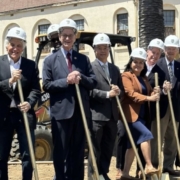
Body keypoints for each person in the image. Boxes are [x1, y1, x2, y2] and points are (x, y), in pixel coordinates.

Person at [42, 18, 97, 180]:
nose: (67, 38)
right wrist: (66, 81)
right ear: (59, 37)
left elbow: (93, 81)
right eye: (64, 35)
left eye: (70, 35)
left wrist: (81, 77)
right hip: (61, 114)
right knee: (61, 152)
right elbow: (46, 85)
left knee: (78, 152)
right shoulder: (50, 61)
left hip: (80, 113)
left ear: (75, 37)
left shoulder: (83, 59)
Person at [0, 27, 41, 180]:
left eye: (19, 45)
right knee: (1, 157)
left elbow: (36, 89)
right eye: (12, 44)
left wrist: (29, 103)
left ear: (23, 47)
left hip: (24, 115)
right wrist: (10, 81)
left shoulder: (30, 65)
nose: (15, 49)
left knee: (27, 156)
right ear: (6, 46)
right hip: (3, 116)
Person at [120, 48, 160, 180]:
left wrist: (154, 92)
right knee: (146, 135)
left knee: (132, 145)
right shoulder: (126, 75)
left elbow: (147, 94)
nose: (138, 65)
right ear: (131, 62)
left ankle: (125, 173)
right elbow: (131, 94)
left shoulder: (143, 78)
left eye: (141, 63)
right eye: (135, 62)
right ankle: (148, 165)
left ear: (144, 65)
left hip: (143, 114)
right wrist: (149, 98)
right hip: (130, 115)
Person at [88, 33, 121, 180]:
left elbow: (121, 92)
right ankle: (93, 176)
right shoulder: (90, 68)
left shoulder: (114, 69)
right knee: (95, 149)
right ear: (94, 50)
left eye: (105, 48)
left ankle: (102, 174)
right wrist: (108, 94)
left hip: (112, 116)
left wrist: (119, 92)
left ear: (109, 49)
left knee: (108, 148)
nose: (103, 51)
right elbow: (89, 91)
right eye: (99, 48)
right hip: (97, 115)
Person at [151, 35, 180, 176]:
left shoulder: (179, 66)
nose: (171, 51)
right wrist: (161, 89)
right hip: (161, 107)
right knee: (157, 137)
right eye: (168, 48)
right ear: (164, 49)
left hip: (175, 108)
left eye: (174, 48)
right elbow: (151, 83)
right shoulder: (158, 64)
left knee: (172, 138)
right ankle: (155, 165)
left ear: (177, 50)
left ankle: (168, 165)